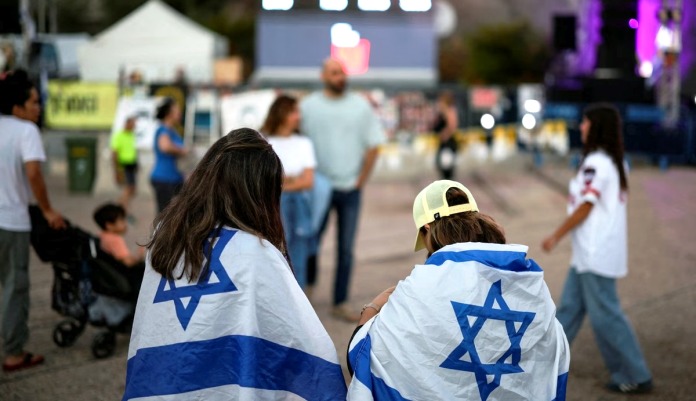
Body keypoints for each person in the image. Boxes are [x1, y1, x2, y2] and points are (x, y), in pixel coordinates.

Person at [122, 129, 346, 401]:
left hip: (153, 389)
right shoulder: (256, 253)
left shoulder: (164, 238)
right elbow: (306, 344)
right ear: (258, 194)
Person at [346, 180, 570, 400]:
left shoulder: (418, 287)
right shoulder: (525, 280)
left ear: (427, 228)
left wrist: (373, 307)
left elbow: (361, 355)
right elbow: (553, 348)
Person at [542, 103, 653, 394]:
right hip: (588, 254)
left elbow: (585, 206)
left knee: (606, 316)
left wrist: (556, 236)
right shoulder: (612, 161)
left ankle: (635, 373)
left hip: (595, 253)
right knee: (569, 310)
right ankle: (543, 364)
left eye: (585, 122)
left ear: (596, 127)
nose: (581, 126)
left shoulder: (597, 163)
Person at [301, 58, 386, 321]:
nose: (340, 77)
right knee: (311, 241)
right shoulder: (308, 107)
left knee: (346, 249)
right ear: (323, 76)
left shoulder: (360, 106)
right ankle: (306, 290)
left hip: (350, 188)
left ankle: (340, 301)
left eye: (342, 73)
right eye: (334, 73)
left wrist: (361, 180)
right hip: (318, 188)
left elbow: (374, 145)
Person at [0, 70, 66, 372]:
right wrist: (48, 210)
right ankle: (14, 353)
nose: (39, 108)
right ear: (17, 107)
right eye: (34, 102)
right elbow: (34, 173)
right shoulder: (26, 130)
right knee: (15, 286)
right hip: (11, 221)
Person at [261, 94, 316, 289]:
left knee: (297, 252)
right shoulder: (264, 142)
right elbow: (264, 180)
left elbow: (308, 181)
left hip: (295, 204)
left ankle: (298, 295)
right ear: (281, 113)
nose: (298, 116)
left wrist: (281, 181)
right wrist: (292, 178)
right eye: (293, 112)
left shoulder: (303, 143)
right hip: (274, 205)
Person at [150, 97, 187, 213]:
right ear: (169, 114)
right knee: (164, 214)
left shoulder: (172, 131)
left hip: (175, 178)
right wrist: (182, 151)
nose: (180, 114)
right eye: (177, 111)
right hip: (164, 178)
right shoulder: (163, 130)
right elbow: (165, 146)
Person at [93, 203, 145, 268]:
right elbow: (127, 262)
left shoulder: (101, 236)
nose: (125, 223)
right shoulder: (115, 239)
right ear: (109, 225)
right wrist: (139, 258)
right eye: (121, 220)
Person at [111, 116, 139, 212]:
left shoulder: (131, 135)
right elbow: (115, 153)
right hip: (123, 165)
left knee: (132, 189)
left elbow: (132, 151)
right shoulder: (119, 136)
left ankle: (121, 206)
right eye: (133, 125)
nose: (134, 127)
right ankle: (121, 208)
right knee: (128, 188)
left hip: (132, 164)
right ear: (127, 124)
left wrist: (136, 164)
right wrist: (117, 170)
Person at [433, 91, 459, 180]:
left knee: (446, 165)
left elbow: (453, 125)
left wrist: (444, 134)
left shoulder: (449, 111)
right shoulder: (443, 112)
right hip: (444, 142)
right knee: (442, 164)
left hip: (448, 143)